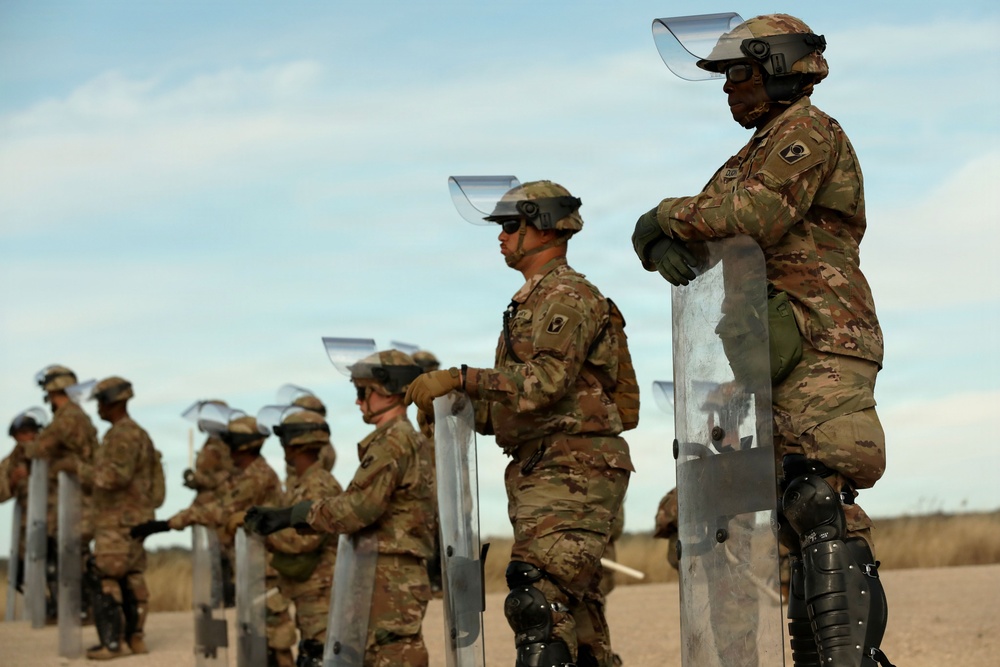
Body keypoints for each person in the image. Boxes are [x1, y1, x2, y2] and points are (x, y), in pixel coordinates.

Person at [632, 13, 891, 666]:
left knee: (816, 502)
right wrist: (677, 232)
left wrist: (664, 217)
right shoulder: (755, 150)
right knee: (792, 517)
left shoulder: (806, 130)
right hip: (774, 352)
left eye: (738, 73)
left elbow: (751, 214)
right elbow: (717, 210)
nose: (727, 89)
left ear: (778, 70)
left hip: (820, 337)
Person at [406, 179, 636, 667]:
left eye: (511, 225)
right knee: (579, 623)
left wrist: (460, 378)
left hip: (575, 464)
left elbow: (544, 382)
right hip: (544, 465)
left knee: (536, 596)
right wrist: (452, 410)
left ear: (546, 227)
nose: (501, 236)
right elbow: (514, 406)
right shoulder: (528, 302)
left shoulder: (568, 296)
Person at [245, 349, 436, 667]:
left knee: (393, 656)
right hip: (384, 572)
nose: (358, 401)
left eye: (363, 392)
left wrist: (293, 515)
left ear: (386, 391)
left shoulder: (393, 442)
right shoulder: (404, 440)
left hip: (391, 575)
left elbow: (359, 509)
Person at [133, 409, 293, 666]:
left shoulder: (258, 475)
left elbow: (221, 510)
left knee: (274, 637)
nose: (227, 449)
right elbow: (213, 502)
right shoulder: (243, 475)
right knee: (258, 635)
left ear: (244, 446)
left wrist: (168, 524)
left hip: (267, 568)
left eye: (231, 443)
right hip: (253, 566)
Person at [60, 377, 160, 660]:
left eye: (101, 403)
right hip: (137, 519)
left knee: (105, 576)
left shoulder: (121, 435)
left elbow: (114, 476)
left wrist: (79, 469)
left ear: (112, 402)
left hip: (117, 521)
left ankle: (113, 643)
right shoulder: (140, 434)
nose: (98, 409)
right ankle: (135, 639)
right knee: (133, 577)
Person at [262, 407, 342, 667]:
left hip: (321, 592)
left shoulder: (318, 483)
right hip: (308, 588)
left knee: (321, 657)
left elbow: (306, 538)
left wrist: (267, 536)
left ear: (294, 445)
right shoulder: (304, 482)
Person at [24, 364, 99, 622]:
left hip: (75, 499)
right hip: (76, 497)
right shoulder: (76, 416)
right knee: (73, 551)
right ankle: (79, 609)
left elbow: (38, 449)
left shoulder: (67, 418)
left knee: (71, 552)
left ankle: (80, 609)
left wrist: (24, 447)